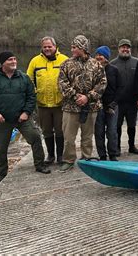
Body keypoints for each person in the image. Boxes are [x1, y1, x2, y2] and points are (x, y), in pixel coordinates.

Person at [0, 51, 50, 185]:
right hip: (1, 119)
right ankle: (1, 174)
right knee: (0, 147)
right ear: (3, 63)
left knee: (35, 137)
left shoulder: (24, 78)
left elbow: (31, 97)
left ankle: (40, 164)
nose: (13, 62)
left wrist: (26, 112)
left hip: (21, 118)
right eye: (10, 60)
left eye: (14, 59)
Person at [58, 35, 107, 172]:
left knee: (87, 136)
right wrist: (75, 96)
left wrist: (87, 97)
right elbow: (62, 84)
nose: (72, 49)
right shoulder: (66, 64)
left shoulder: (96, 64)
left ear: (83, 48)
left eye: (75, 47)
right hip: (70, 107)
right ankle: (68, 160)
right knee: (68, 137)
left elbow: (102, 84)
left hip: (91, 107)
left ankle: (86, 159)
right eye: (72, 47)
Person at [27, 36, 68, 164]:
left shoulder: (65, 60)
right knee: (47, 131)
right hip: (42, 104)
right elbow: (29, 81)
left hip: (60, 104)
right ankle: (50, 155)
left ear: (55, 47)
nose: (47, 49)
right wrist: (34, 93)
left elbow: (71, 79)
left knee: (60, 131)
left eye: (49, 46)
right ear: (42, 48)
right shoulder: (35, 61)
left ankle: (60, 156)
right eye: (45, 47)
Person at [111, 39, 138, 155]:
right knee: (117, 125)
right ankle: (117, 147)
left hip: (132, 100)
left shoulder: (137, 62)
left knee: (132, 125)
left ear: (130, 49)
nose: (125, 49)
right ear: (119, 49)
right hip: (118, 102)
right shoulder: (112, 63)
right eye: (123, 47)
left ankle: (132, 146)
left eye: (127, 47)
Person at [94, 46, 121, 161]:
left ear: (106, 57)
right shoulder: (92, 70)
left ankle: (113, 154)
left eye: (102, 55)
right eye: (98, 55)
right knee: (99, 131)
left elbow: (120, 88)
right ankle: (102, 155)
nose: (99, 57)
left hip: (112, 105)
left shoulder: (114, 70)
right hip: (97, 105)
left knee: (112, 131)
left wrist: (114, 103)